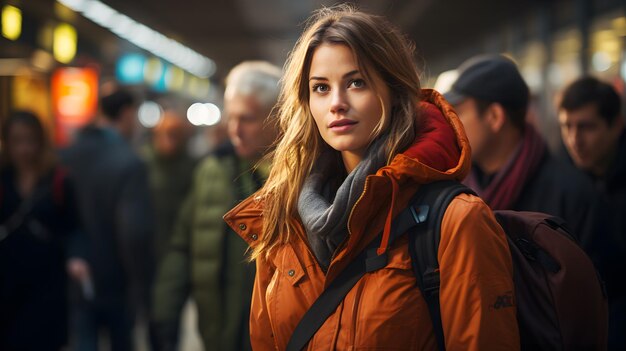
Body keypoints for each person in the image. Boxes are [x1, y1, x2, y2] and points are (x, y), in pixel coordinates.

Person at [223, 7, 519, 350]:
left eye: (356, 82)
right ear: (306, 102)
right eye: (320, 87)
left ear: (393, 91)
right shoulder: (284, 215)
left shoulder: (457, 221)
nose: (336, 103)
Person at [151, 61, 281, 351]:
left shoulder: (301, 180)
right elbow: (183, 246)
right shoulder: (212, 171)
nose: (234, 129)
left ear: (278, 118)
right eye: (231, 117)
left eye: (247, 118)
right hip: (218, 333)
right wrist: (165, 314)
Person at [444, 54, 596, 242]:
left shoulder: (572, 195)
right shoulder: (457, 188)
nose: (450, 124)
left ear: (494, 117)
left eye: (457, 113)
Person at [60, 88, 154, 351]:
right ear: (125, 114)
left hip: (73, 275)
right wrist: (141, 285)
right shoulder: (129, 162)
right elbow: (134, 232)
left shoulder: (65, 155)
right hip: (117, 282)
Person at [0, 111, 86, 350]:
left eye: (30, 140)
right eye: (17, 141)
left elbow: (74, 226)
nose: (24, 149)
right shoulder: (3, 178)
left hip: (48, 281)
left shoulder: (57, 179)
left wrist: (77, 257)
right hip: (7, 282)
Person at [558, 76, 626, 350]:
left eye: (587, 127)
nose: (575, 139)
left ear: (617, 125)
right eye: (567, 126)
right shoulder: (560, 178)